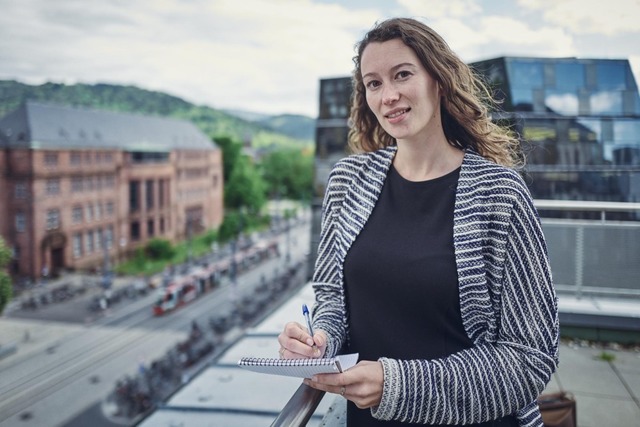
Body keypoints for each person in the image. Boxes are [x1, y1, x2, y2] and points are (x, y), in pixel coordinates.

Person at [278, 17, 559, 426]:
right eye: (373, 83)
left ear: (439, 81)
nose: (388, 95)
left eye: (402, 75)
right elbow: (333, 299)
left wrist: (397, 385)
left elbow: (530, 358)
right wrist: (318, 341)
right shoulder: (347, 181)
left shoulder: (500, 192)